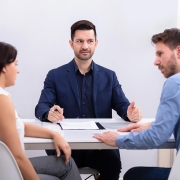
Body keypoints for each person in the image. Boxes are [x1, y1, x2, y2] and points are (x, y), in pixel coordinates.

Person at [35, 20, 142, 180]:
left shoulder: (109, 76)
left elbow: (122, 105)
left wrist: (130, 113)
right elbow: (41, 107)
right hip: (65, 145)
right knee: (61, 166)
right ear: (71, 44)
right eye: (80, 41)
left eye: (89, 41)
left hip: (99, 145)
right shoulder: (55, 75)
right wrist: (48, 113)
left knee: (112, 163)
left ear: (96, 43)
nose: (85, 46)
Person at [93, 28, 180, 180]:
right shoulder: (56, 75)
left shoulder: (175, 83)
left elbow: (156, 138)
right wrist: (155, 124)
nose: (156, 61)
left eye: (160, 53)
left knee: (133, 175)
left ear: (178, 51)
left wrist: (117, 140)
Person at [0, 42, 82, 180]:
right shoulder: (3, 100)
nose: (18, 70)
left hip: (6, 167)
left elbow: (19, 126)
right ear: (4, 67)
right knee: (67, 163)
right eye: (15, 64)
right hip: (8, 171)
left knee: (66, 163)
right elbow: (17, 157)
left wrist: (53, 134)